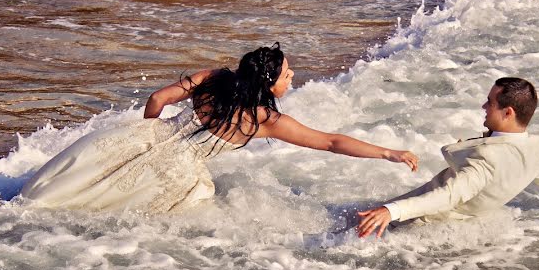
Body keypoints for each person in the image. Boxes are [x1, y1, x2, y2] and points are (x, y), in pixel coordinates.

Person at [21, 44, 418, 213]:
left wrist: (147, 138)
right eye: (286, 73)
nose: (292, 77)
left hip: (146, 139)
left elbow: (157, 100)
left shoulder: (212, 77)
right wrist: (389, 152)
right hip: (176, 172)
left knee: (66, 187)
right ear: (268, 83)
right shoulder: (265, 119)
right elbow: (331, 143)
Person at [357, 77, 539, 238]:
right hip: (456, 227)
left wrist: (391, 211)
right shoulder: (536, 147)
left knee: (345, 228)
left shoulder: (487, 159)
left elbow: (448, 196)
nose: (484, 107)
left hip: (411, 226)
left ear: (508, 112)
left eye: (490, 102)